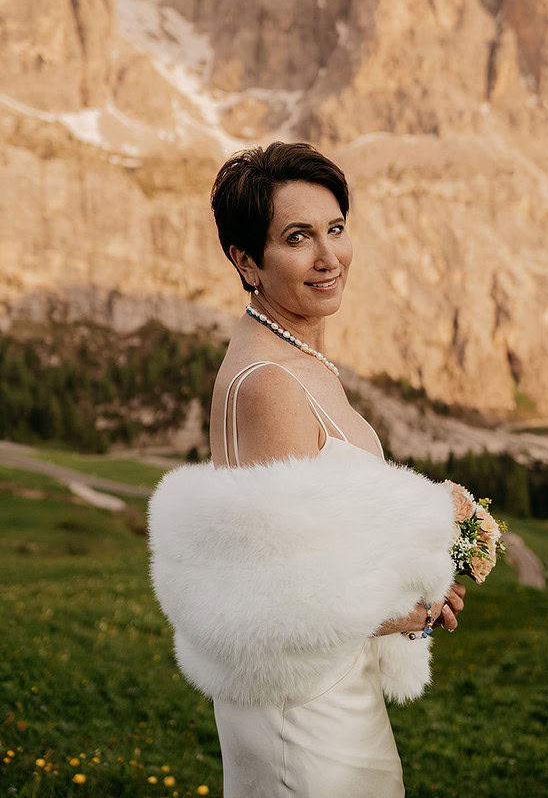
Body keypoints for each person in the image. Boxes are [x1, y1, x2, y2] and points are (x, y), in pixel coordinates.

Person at [147, 141, 465, 798]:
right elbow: (273, 602)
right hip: (304, 718)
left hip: (331, 686)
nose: (328, 257)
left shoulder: (296, 356)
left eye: (335, 229)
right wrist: (410, 610)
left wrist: (423, 553)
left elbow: (321, 537)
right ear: (246, 260)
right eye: (298, 237)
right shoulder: (270, 384)